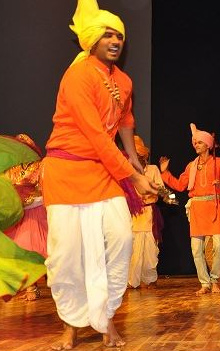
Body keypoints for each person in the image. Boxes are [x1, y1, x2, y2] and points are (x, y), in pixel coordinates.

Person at [40, 0, 158, 349]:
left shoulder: (123, 80)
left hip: (104, 171)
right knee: (66, 255)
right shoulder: (77, 75)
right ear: (93, 39)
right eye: (107, 33)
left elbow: (125, 122)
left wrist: (136, 163)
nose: (115, 40)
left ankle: (105, 317)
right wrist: (134, 178)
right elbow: (94, 135)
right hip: (66, 172)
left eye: (119, 35)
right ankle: (72, 325)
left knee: (121, 239)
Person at [159, 123, 220, 296]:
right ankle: (205, 283)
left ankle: (215, 280)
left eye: (199, 143)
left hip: (214, 206)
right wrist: (165, 173)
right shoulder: (191, 166)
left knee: (219, 245)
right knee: (196, 249)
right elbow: (179, 185)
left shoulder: (219, 163)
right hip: (197, 208)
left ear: (207, 144)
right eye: (194, 143)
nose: (195, 145)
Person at [0, 134, 46, 302]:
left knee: (39, 249)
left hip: (37, 214)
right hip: (25, 217)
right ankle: (31, 288)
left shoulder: (35, 168)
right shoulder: (11, 172)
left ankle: (37, 287)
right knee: (25, 249)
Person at [128, 135, 169, 289]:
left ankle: (150, 279)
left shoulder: (152, 169)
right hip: (134, 215)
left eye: (139, 155)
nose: (137, 158)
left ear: (144, 156)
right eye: (135, 155)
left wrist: (152, 193)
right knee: (134, 251)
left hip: (149, 215)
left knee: (151, 250)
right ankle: (133, 281)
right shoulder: (129, 172)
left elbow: (160, 189)